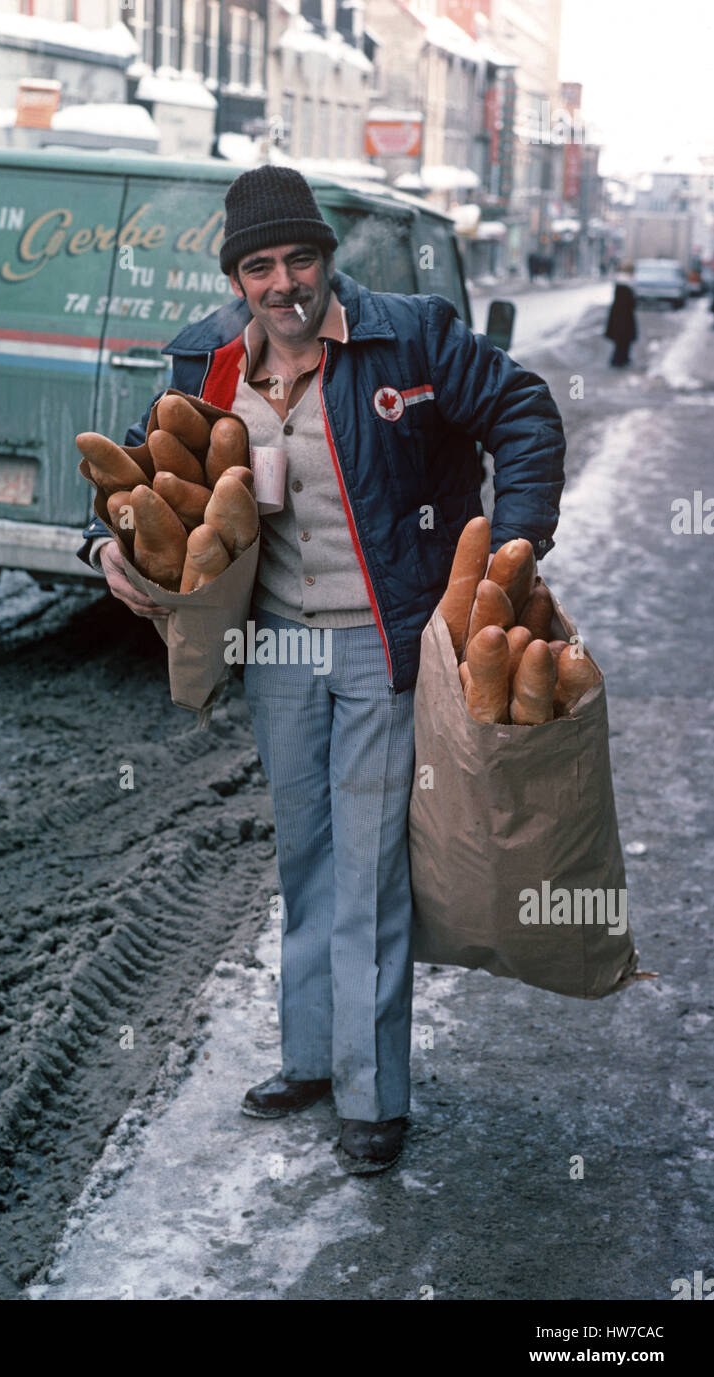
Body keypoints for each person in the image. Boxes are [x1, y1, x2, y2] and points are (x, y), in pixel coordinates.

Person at [78, 166, 566, 1175]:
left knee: (370, 870)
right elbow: (130, 474)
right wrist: (103, 553)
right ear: (239, 277)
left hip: (383, 642)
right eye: (259, 266)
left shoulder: (412, 336)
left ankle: (372, 1090)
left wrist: (512, 555)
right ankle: (310, 1055)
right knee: (304, 854)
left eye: (300, 258)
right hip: (276, 647)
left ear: (327, 259)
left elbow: (522, 410)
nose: (283, 282)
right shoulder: (206, 363)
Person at [605, 266, 637, 367]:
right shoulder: (627, 291)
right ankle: (621, 359)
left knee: (620, 343)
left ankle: (620, 359)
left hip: (618, 321)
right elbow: (632, 304)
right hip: (625, 321)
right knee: (624, 342)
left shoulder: (618, 291)